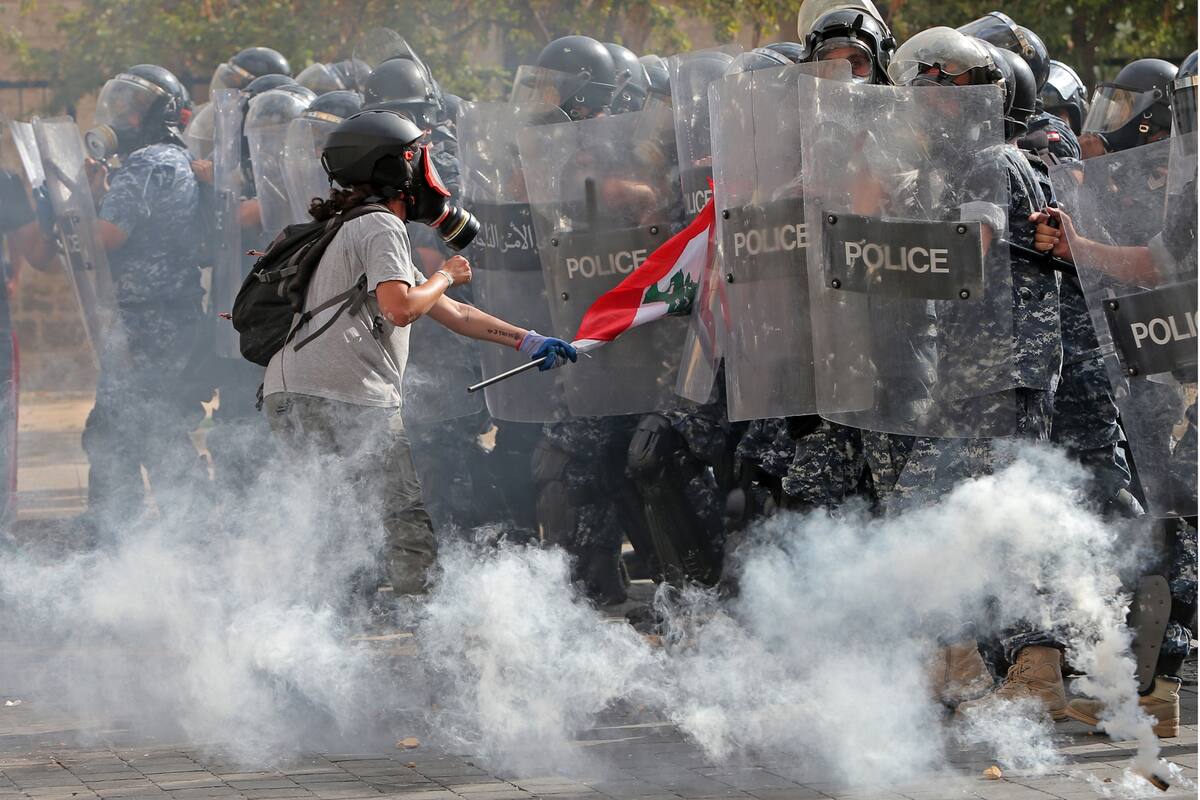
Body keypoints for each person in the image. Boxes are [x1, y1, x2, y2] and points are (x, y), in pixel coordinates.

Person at [261, 109, 575, 597]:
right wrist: (447, 272)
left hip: (289, 391)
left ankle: (317, 626)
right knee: (400, 514)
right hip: (346, 394)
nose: (427, 169)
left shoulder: (347, 223)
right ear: (394, 167)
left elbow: (452, 314)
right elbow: (402, 308)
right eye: (416, 157)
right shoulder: (383, 227)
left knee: (327, 512)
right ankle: (424, 623)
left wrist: (528, 340)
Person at [19, 65, 209, 533]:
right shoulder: (169, 160)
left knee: (135, 431)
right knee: (133, 429)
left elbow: (105, 236)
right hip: (157, 320)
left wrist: (67, 203)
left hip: (149, 324)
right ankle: (151, 536)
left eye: (133, 107)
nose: (121, 115)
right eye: (118, 104)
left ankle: (136, 535)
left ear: (160, 115)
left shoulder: (148, 164)